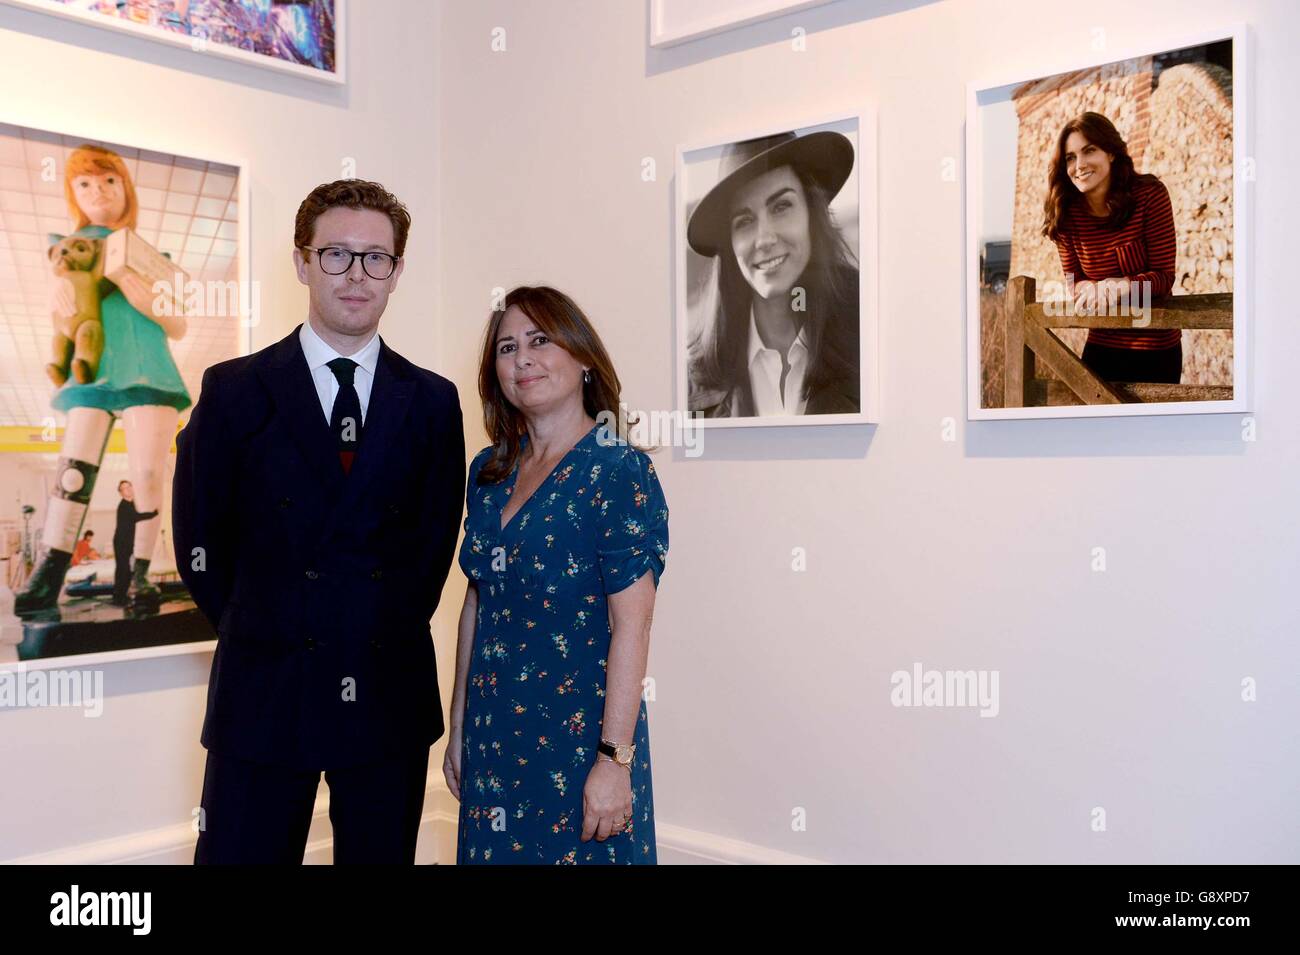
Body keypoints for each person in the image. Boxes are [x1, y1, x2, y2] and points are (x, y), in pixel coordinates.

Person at [172, 179, 466, 864]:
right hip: (265, 685)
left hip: (385, 687)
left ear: (397, 271)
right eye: (336, 254)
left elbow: (430, 548)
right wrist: (267, 623)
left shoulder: (430, 400)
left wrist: (365, 624)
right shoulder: (233, 389)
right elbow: (198, 542)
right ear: (302, 262)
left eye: (375, 258)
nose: (356, 274)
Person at [444, 286, 669, 864]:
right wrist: (459, 726)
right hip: (494, 740)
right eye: (507, 347)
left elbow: (633, 627)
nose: (522, 359)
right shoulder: (489, 471)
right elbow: (478, 606)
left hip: (579, 744)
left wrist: (614, 762)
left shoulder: (617, 468)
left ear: (583, 356)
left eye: (541, 340)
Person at [15, 144, 190, 615]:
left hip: (148, 365)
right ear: (72, 191)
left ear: (125, 188)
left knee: (149, 473)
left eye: (109, 181)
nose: (98, 191)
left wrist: (153, 304)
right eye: (85, 183)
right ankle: (50, 570)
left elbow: (178, 324)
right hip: (90, 368)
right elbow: (61, 316)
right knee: (72, 472)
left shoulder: (151, 256)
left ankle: (140, 574)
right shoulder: (67, 252)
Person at [686, 130, 860, 417]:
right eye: (744, 220)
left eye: (781, 207)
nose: (764, 239)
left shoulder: (867, 342)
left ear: (811, 215)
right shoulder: (696, 382)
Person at [1042, 111, 1180, 385]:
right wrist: (1086, 288)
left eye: (1089, 151)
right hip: (1101, 347)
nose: (1079, 165)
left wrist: (1118, 286)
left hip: (1156, 349)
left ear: (1112, 153)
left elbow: (1163, 278)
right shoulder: (1066, 213)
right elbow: (1073, 281)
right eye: (1070, 157)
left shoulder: (1149, 196)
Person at [111, 481, 157, 606]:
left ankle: (120, 596)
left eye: (129, 486)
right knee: (123, 569)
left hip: (127, 542)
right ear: (121, 493)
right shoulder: (124, 506)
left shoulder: (130, 504)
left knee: (125, 569)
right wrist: (153, 514)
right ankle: (119, 597)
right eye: (124, 488)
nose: (128, 489)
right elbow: (136, 517)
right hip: (121, 542)